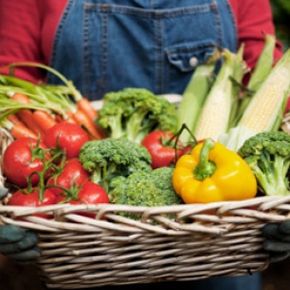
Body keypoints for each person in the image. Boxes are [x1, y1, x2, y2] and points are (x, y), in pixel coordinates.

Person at [0, 0, 289, 290]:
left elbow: (259, 67)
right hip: (80, 236)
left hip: (220, 239)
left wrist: (278, 199)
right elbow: (12, 75)